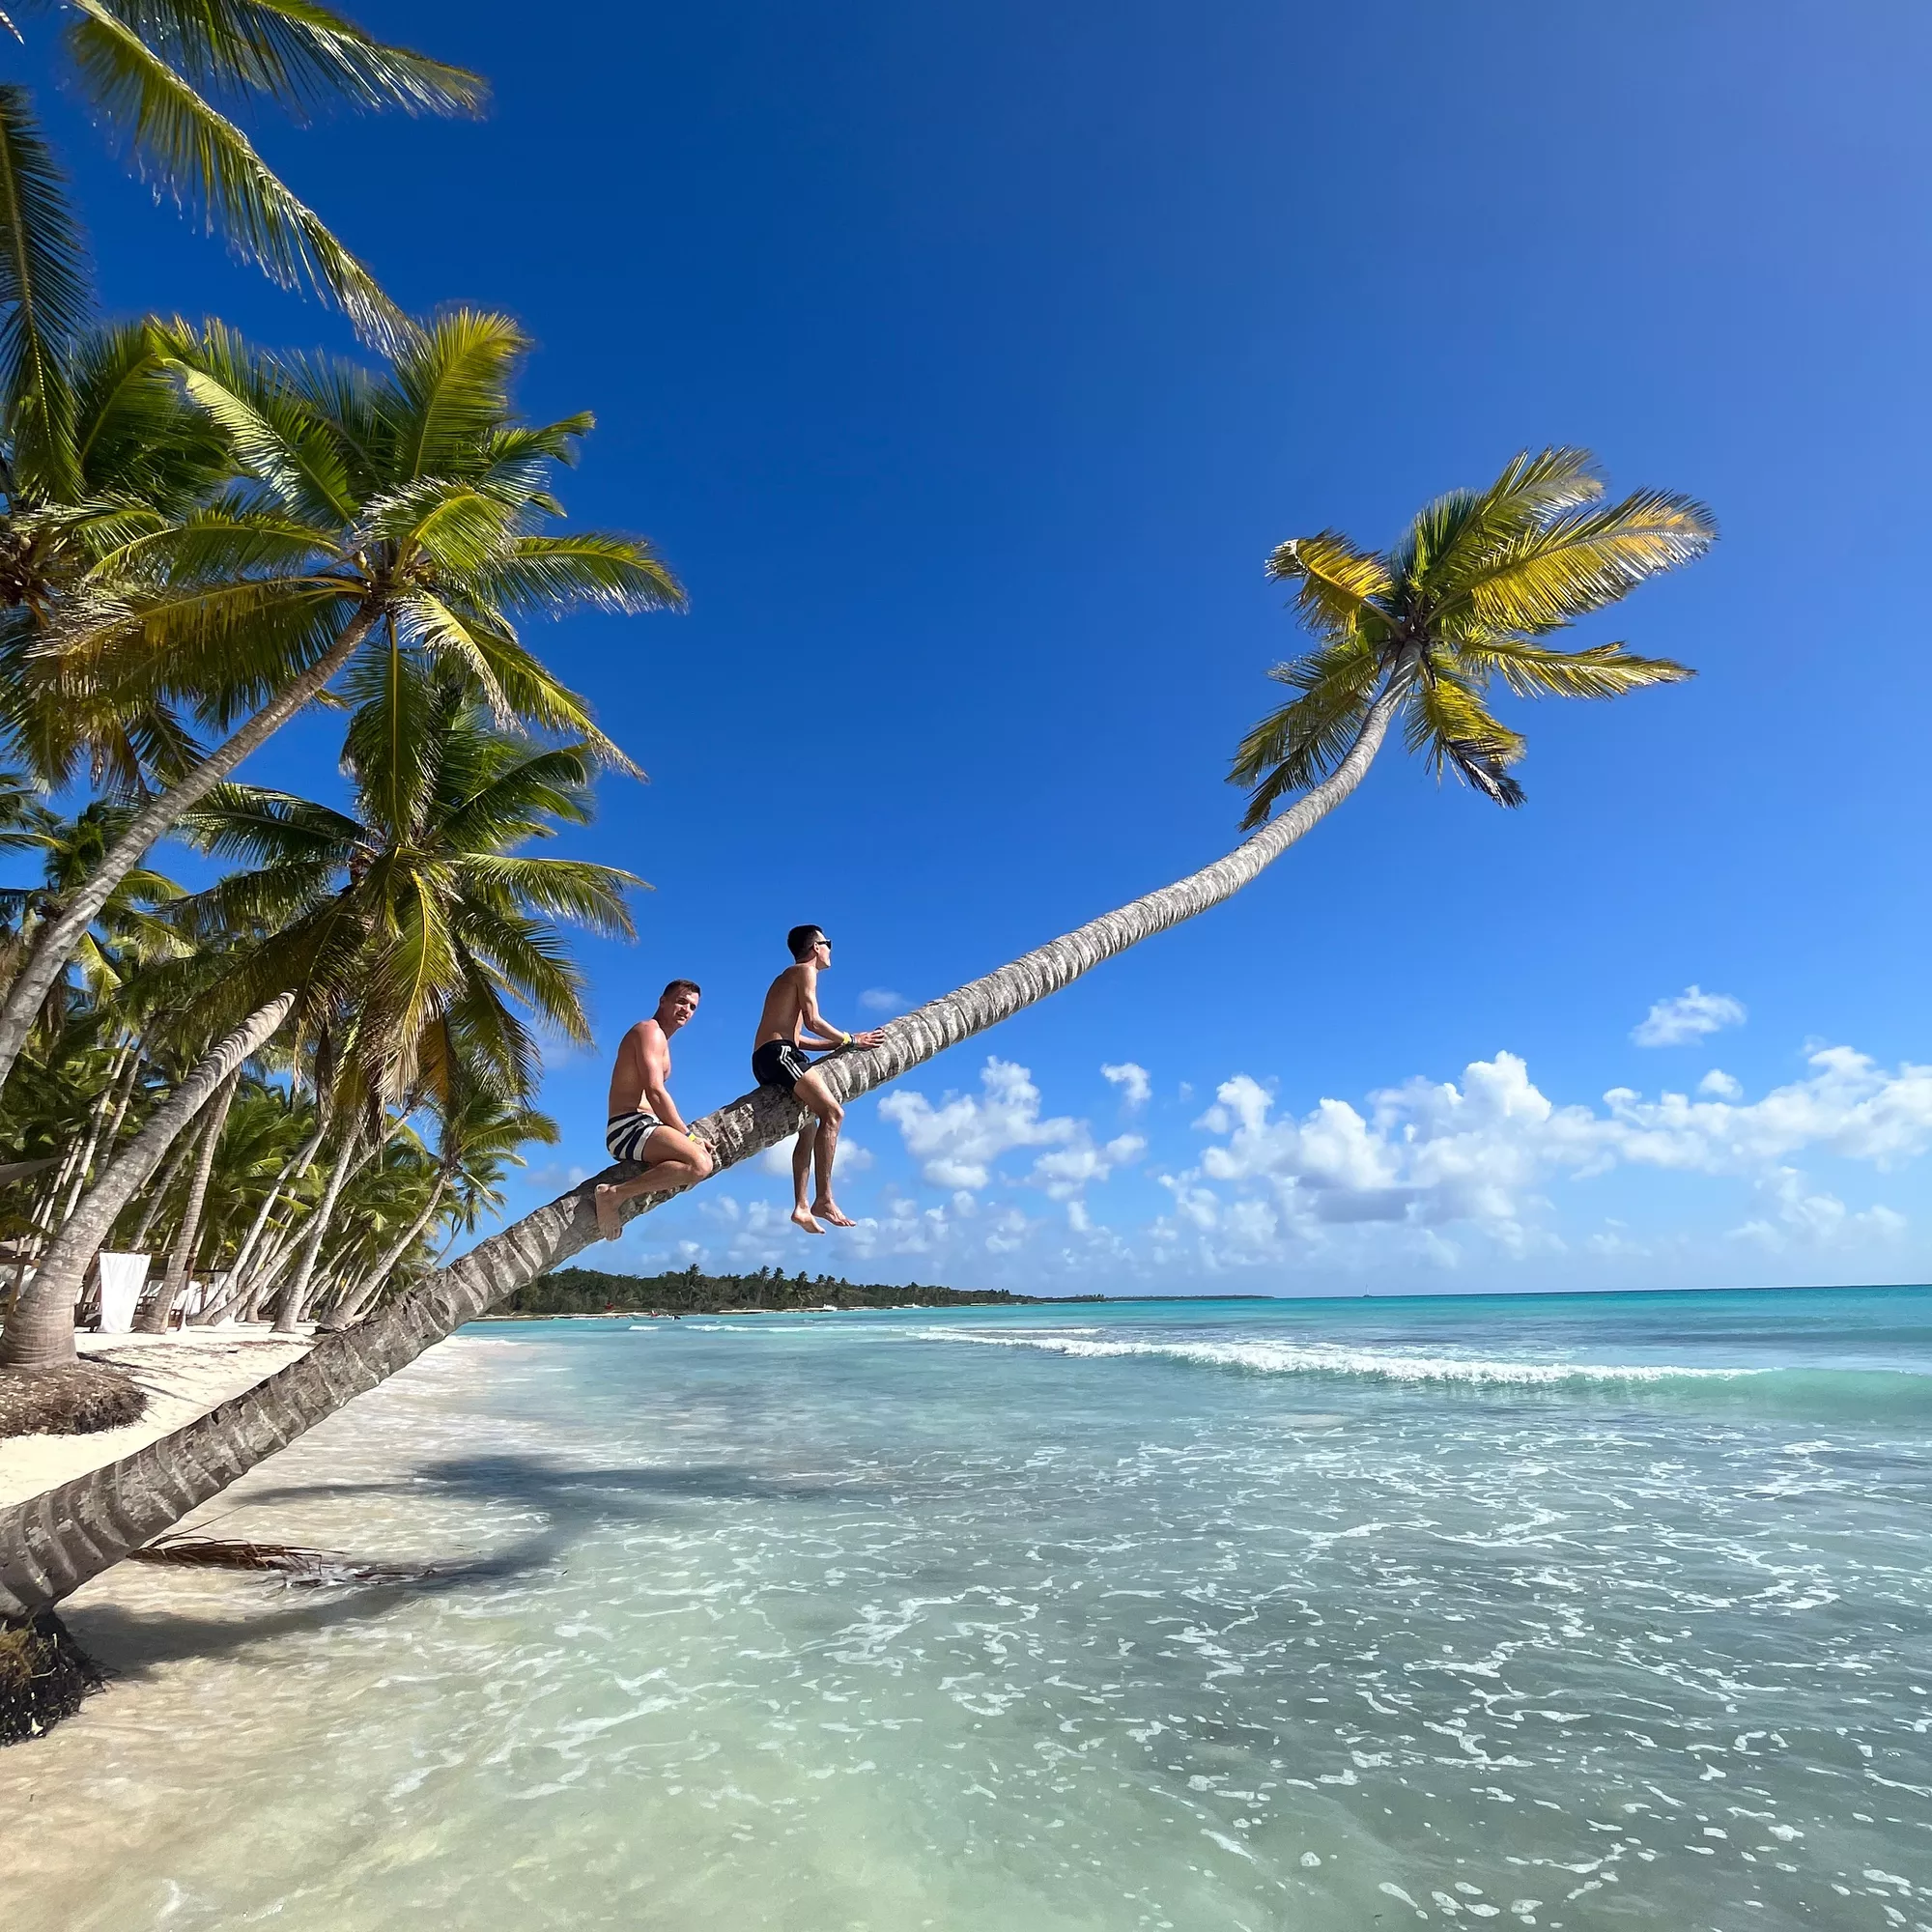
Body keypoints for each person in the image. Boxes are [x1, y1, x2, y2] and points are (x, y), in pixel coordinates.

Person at [751, 924, 884, 1233]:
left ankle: (801, 1206)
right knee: (833, 1113)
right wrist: (851, 1040)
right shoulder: (804, 972)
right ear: (816, 947)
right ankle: (824, 1199)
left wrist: (837, 1045)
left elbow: (798, 1036)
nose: (830, 949)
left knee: (808, 1128)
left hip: (770, 1056)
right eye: (828, 943)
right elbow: (813, 1021)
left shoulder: (787, 978)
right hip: (779, 1054)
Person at [596, 980, 713, 1242]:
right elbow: (655, 1092)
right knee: (700, 1164)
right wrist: (689, 1136)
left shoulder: (662, 1041)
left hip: (645, 1126)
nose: (686, 1010)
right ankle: (612, 1195)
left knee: (694, 1165)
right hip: (628, 1127)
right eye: (681, 1001)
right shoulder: (649, 1031)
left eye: (692, 1007)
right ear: (663, 1001)